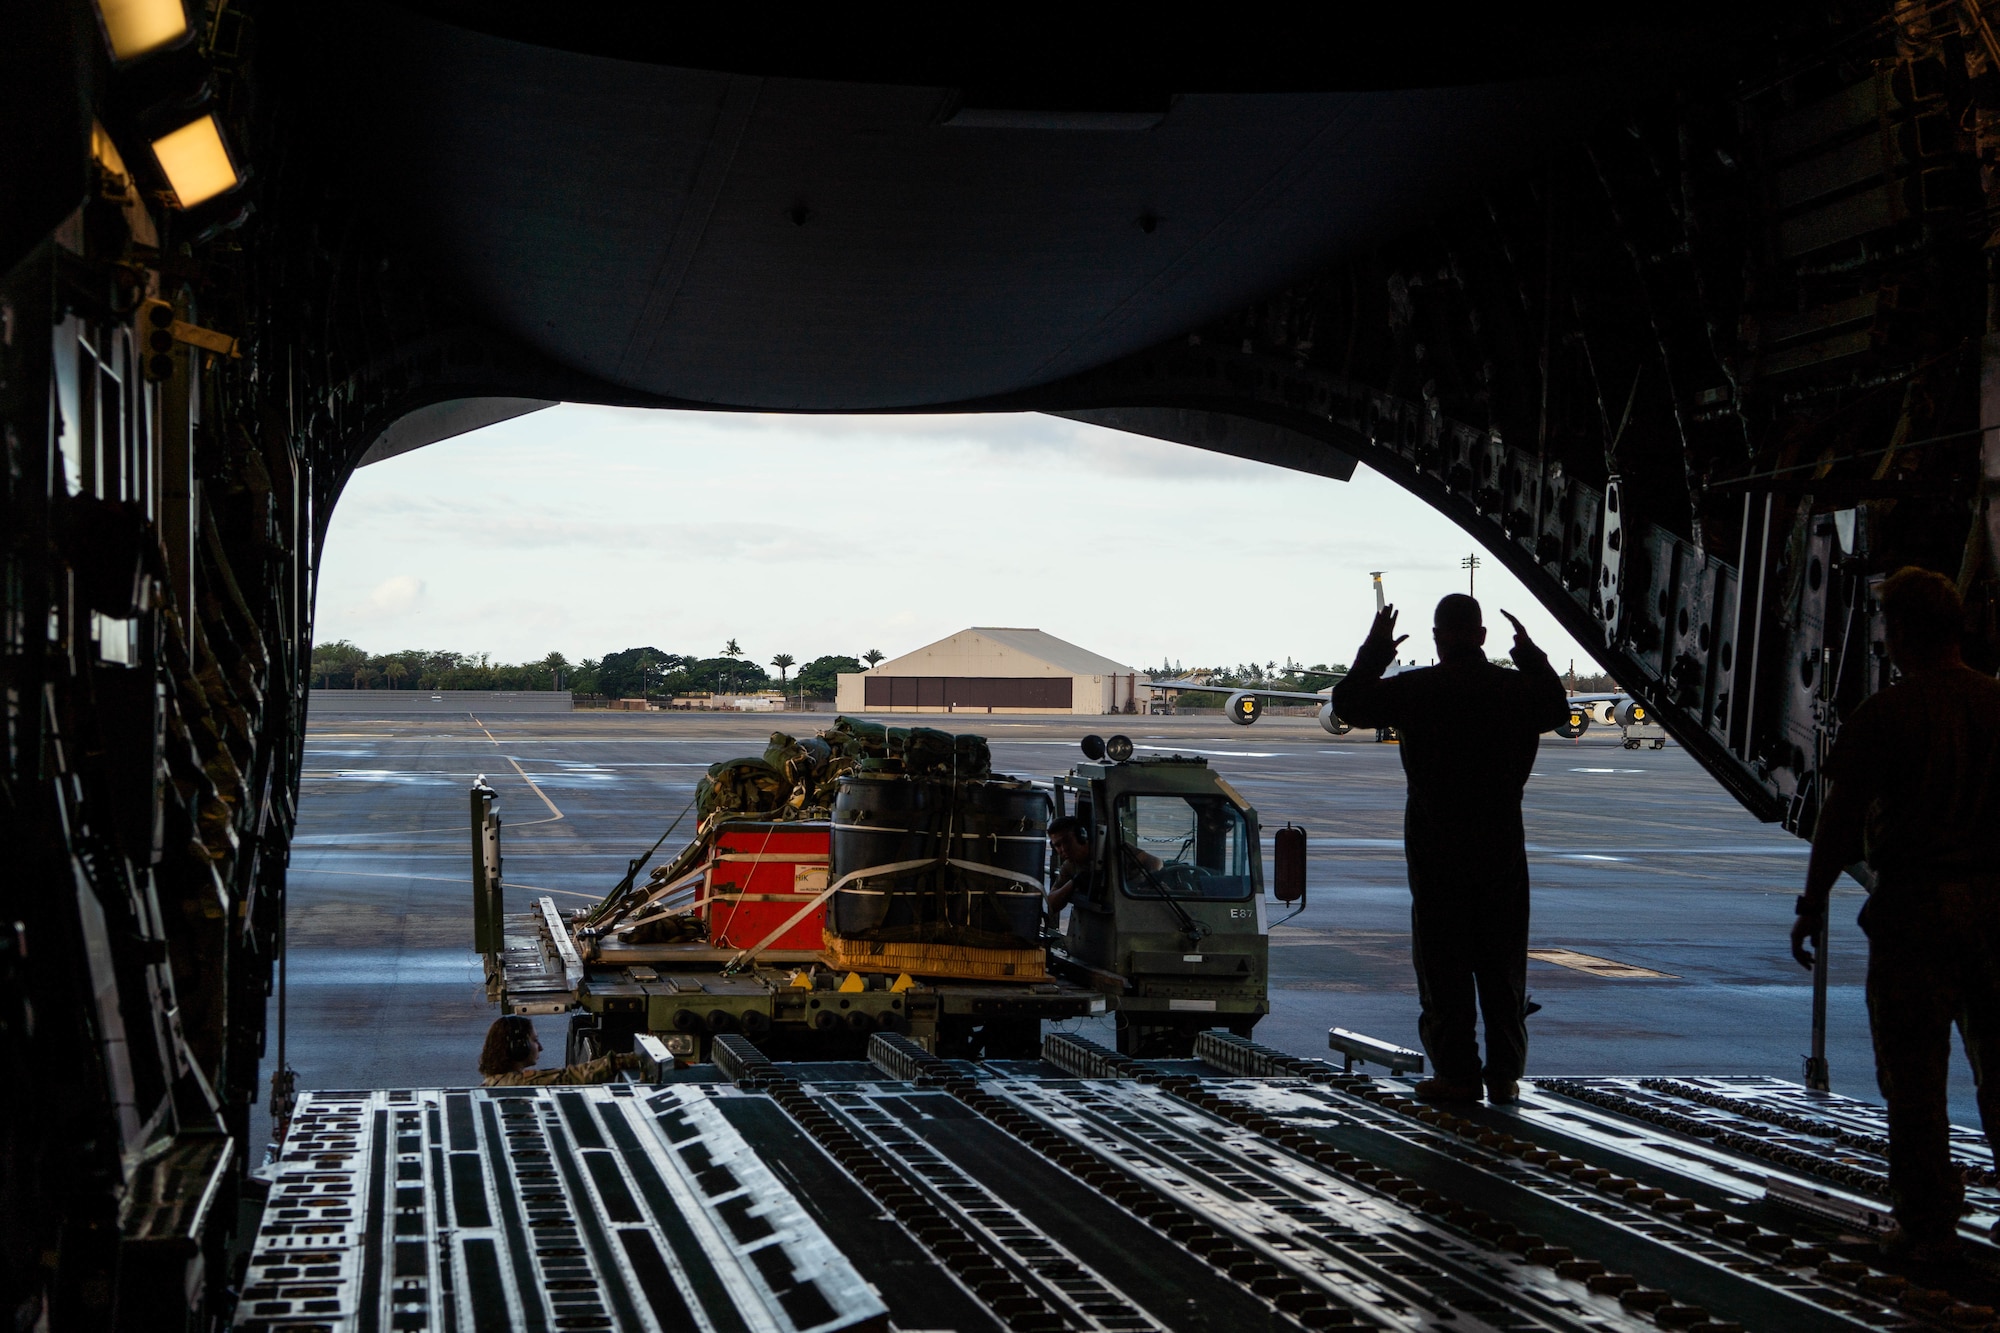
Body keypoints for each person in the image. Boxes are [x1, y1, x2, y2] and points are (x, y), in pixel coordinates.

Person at [1790, 566, 2000, 1262]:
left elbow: (1840, 819)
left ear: (1903, 630)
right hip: (1996, 913)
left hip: (1915, 913)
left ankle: (1926, 1218)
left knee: (1913, 1077)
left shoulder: (1886, 715)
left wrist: (1812, 901)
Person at [1332, 594, 1569, 1104]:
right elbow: (1559, 709)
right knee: (1502, 965)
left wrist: (1373, 653)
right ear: (1483, 636)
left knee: (1444, 967)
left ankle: (1458, 1075)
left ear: (1436, 638)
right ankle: (1504, 1075)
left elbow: (1347, 706)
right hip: (1501, 843)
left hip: (1437, 846)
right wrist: (1530, 654)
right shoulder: (1516, 691)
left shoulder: (1418, 689)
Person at [1046, 814, 1159, 925]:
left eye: (1067, 841)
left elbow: (1155, 863)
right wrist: (1073, 883)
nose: (1063, 849)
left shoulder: (1113, 851)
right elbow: (1051, 904)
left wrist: (1132, 884)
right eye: (1057, 845)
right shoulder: (1069, 866)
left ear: (1082, 836)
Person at [477, 1015, 644, 1087]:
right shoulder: (521, 1084)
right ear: (518, 1047)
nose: (540, 1047)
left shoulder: (493, 1082)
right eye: (534, 1041)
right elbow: (571, 1077)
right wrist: (623, 1060)